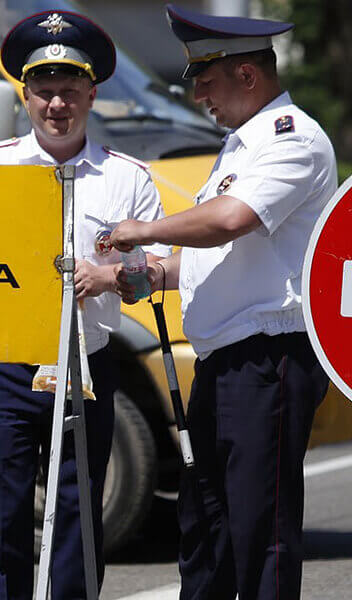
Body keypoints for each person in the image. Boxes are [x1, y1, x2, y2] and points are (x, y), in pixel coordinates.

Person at [109, 4, 335, 599]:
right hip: (226, 360)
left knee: (260, 528)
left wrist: (147, 230)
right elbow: (218, 256)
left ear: (247, 75)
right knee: (207, 526)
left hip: (267, 359)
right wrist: (148, 276)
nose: (199, 98)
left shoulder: (293, 139)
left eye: (206, 83)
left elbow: (230, 221)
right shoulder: (240, 145)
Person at [0, 10, 169, 600]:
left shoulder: (127, 179)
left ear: (92, 94)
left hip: (86, 364)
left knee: (78, 512)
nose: (56, 105)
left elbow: (159, 274)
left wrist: (114, 275)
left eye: (69, 91)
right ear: (25, 95)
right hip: (8, 365)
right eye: (43, 91)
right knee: (5, 510)